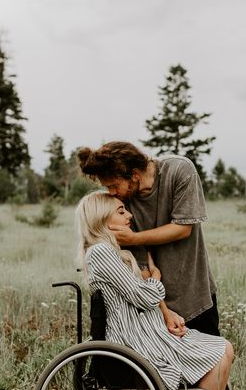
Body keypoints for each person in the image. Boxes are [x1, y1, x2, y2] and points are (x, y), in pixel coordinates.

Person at [76, 190, 234, 390]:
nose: (130, 216)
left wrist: (160, 303)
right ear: (102, 218)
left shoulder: (111, 252)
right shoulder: (100, 252)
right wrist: (156, 279)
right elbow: (142, 296)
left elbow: (137, 296)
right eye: (121, 211)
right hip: (136, 343)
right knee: (221, 350)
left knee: (222, 350)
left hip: (148, 333)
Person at [77, 141, 220, 338]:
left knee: (215, 357)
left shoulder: (179, 170)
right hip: (154, 303)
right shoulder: (122, 204)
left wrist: (134, 238)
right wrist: (164, 311)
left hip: (195, 292)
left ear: (134, 174)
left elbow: (183, 228)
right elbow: (141, 266)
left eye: (113, 185)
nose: (111, 193)